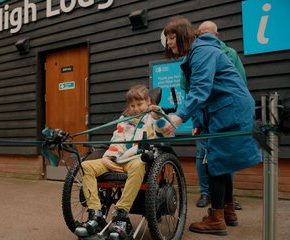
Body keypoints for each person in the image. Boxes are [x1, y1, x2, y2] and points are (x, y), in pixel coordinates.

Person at [161, 16, 261, 236]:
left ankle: (216, 219)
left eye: (170, 37)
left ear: (183, 34)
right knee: (222, 162)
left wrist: (178, 118)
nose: (168, 42)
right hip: (227, 108)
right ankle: (227, 212)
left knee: (213, 162)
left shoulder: (202, 51)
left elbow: (200, 89)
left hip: (228, 110)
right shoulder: (200, 51)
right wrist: (199, 120)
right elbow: (206, 93)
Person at [74, 84, 165, 239]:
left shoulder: (153, 117)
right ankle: (96, 215)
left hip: (138, 159)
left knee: (138, 165)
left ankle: (121, 216)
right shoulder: (124, 120)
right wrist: (107, 158)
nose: (136, 109)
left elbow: (164, 129)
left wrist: (158, 114)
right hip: (118, 159)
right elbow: (116, 140)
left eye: (140, 104)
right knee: (85, 166)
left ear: (148, 100)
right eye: (132, 105)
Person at [194, 20, 245, 210]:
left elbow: (239, 82)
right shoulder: (194, 55)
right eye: (201, 34)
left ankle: (227, 199)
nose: (203, 37)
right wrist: (195, 118)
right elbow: (190, 87)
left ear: (216, 35)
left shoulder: (229, 53)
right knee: (202, 153)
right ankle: (205, 193)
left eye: (208, 34)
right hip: (203, 110)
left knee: (225, 155)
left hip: (224, 112)